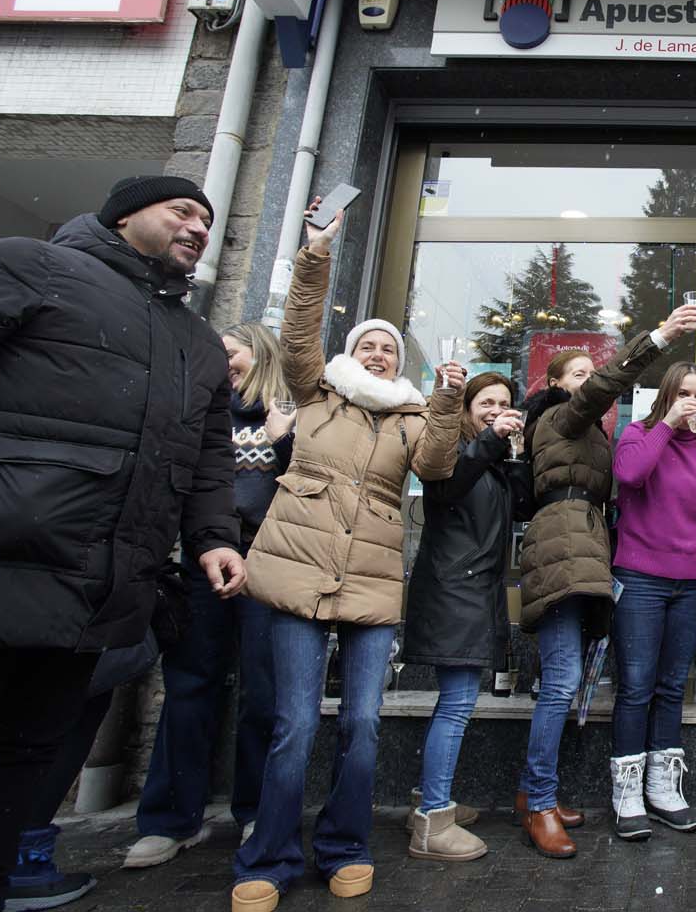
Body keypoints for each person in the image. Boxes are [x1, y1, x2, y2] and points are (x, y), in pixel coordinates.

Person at [0, 174, 246, 912]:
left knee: (24, 763)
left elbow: (208, 458)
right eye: (180, 210)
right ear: (124, 215)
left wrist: (214, 536)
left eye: (206, 219)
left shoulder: (197, 342)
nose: (196, 226)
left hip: (96, 589)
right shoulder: (31, 264)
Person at [230, 203, 461, 912]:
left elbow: (440, 465)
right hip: (297, 573)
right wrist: (315, 254)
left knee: (363, 722)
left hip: (370, 583)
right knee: (294, 722)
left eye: (390, 348)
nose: (379, 355)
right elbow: (299, 327)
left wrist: (449, 399)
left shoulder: (413, 416)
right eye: (369, 344)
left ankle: (345, 845)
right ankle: (267, 855)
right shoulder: (314, 392)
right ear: (350, 351)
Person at [514, 304, 696, 859]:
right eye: (575, 376)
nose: (587, 387)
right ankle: (541, 802)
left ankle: (533, 792)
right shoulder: (559, 417)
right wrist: (658, 337)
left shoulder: (590, 437)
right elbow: (600, 389)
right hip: (563, 550)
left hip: (583, 551)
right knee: (562, 680)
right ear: (555, 386)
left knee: (566, 679)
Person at [126, 323, 292, 869]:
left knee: (263, 694)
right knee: (189, 685)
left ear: (260, 356)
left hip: (268, 566)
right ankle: (171, 821)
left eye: (233, 354)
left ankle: (254, 813)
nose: (224, 364)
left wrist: (284, 439)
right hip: (204, 561)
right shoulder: (199, 416)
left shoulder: (286, 415)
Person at [403, 370, 530, 862]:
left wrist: (512, 452)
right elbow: (445, 489)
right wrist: (491, 444)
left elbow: (519, 508)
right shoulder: (449, 448)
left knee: (455, 702)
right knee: (456, 703)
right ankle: (433, 819)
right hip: (453, 591)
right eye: (486, 402)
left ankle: (429, 797)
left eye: (504, 402)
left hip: (471, 591)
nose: (497, 409)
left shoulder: (491, 457)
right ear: (466, 408)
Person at [608, 362, 696, 840]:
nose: (693, 402)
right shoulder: (639, 433)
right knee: (636, 685)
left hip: (691, 580)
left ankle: (663, 789)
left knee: (673, 685)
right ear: (666, 397)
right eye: (683, 394)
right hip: (640, 578)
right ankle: (627, 792)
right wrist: (667, 425)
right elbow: (630, 475)